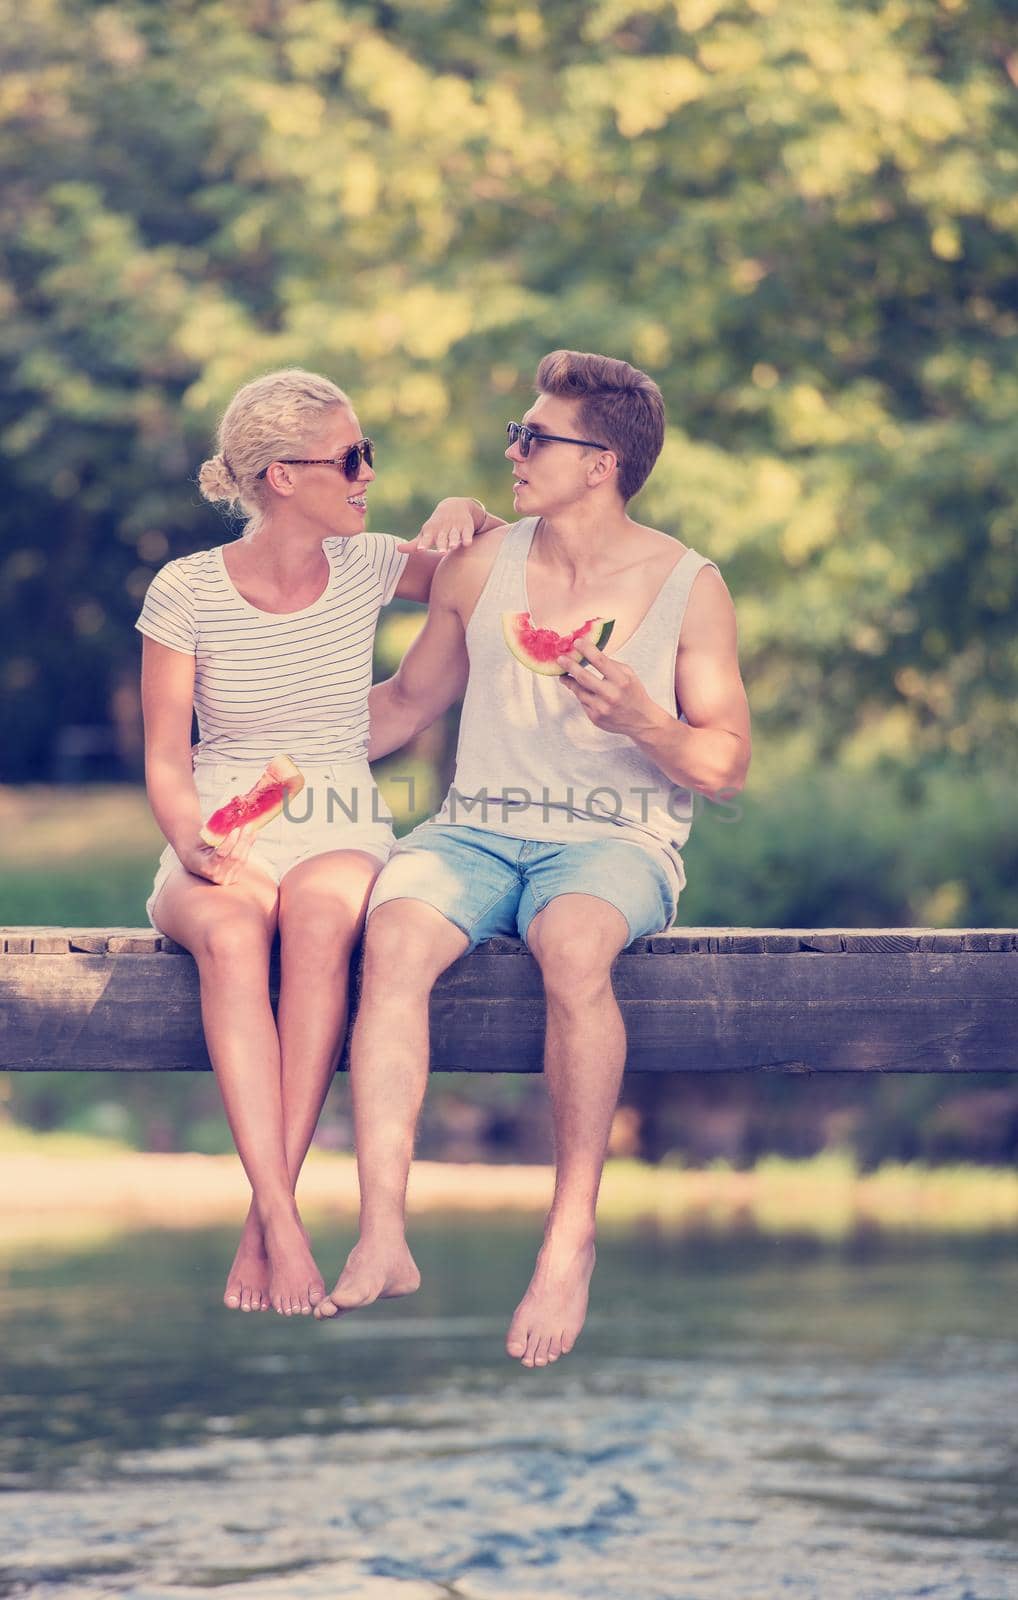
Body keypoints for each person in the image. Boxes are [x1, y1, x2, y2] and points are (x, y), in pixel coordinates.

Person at [315, 350, 752, 1366]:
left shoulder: (689, 586)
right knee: (394, 930)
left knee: (571, 946)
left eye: (533, 436)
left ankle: (569, 1237)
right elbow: (407, 703)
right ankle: (383, 1227)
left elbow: (723, 767)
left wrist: (645, 719)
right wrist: (260, 744)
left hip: (617, 838)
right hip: (472, 829)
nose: (511, 449)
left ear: (599, 462)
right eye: (515, 433)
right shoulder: (482, 562)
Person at [136, 367, 503, 1317]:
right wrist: (195, 845)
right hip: (218, 820)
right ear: (281, 477)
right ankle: (283, 1218)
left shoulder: (374, 562)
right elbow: (168, 765)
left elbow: (488, 570)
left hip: (338, 815)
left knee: (324, 913)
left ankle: (269, 1220)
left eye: (365, 454)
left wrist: (468, 509)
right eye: (350, 457)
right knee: (228, 934)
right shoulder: (184, 591)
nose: (367, 474)